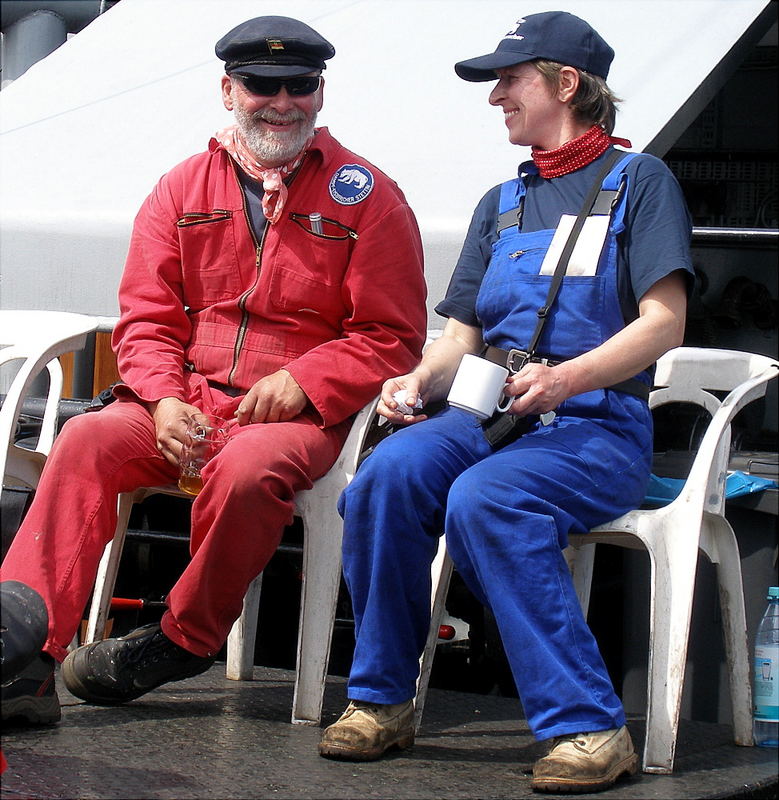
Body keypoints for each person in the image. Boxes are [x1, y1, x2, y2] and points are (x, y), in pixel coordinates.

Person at [0, 15, 426, 723]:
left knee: (247, 470)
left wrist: (307, 381)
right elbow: (146, 319)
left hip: (287, 418)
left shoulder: (372, 197)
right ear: (228, 89)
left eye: (299, 85)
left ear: (320, 95)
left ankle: (183, 637)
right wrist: (163, 400)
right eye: (262, 85)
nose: (281, 101)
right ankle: (21, 659)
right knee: (84, 441)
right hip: (185, 400)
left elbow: (392, 336)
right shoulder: (179, 187)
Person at [318, 10, 692, 794]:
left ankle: (588, 727)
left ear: (566, 84)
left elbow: (664, 323)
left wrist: (567, 378)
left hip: (593, 426)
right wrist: (418, 378)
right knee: (386, 477)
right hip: (491, 415)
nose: (496, 97)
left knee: (486, 500)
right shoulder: (501, 202)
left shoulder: (639, 183)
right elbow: (461, 336)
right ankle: (380, 701)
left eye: (510, 79)